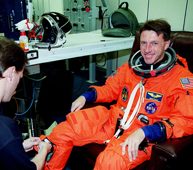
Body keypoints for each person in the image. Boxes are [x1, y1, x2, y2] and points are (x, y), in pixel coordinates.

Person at [38, 19, 193, 170]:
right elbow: (110, 89)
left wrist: (147, 131)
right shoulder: (132, 68)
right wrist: (86, 96)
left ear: (166, 45)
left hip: (143, 135)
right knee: (61, 132)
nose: (147, 49)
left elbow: (185, 121)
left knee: (108, 163)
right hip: (113, 121)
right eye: (144, 43)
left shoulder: (181, 80)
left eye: (154, 43)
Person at [0, 37, 51, 170]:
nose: (17, 85)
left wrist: (16, 147)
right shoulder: (3, 130)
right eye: (20, 77)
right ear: (11, 73)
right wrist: (44, 150)